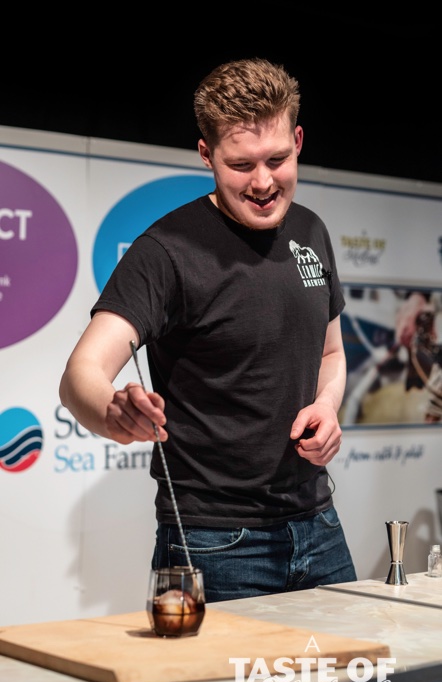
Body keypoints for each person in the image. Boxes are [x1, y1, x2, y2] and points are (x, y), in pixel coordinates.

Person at [59, 57, 357, 602]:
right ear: (206, 154)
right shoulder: (167, 251)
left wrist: (327, 404)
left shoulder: (312, 230)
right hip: (215, 544)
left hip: (320, 525)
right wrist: (111, 410)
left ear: (298, 141)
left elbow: (331, 354)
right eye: (241, 164)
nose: (263, 182)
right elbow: (81, 372)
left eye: (277, 159)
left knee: (353, 663)